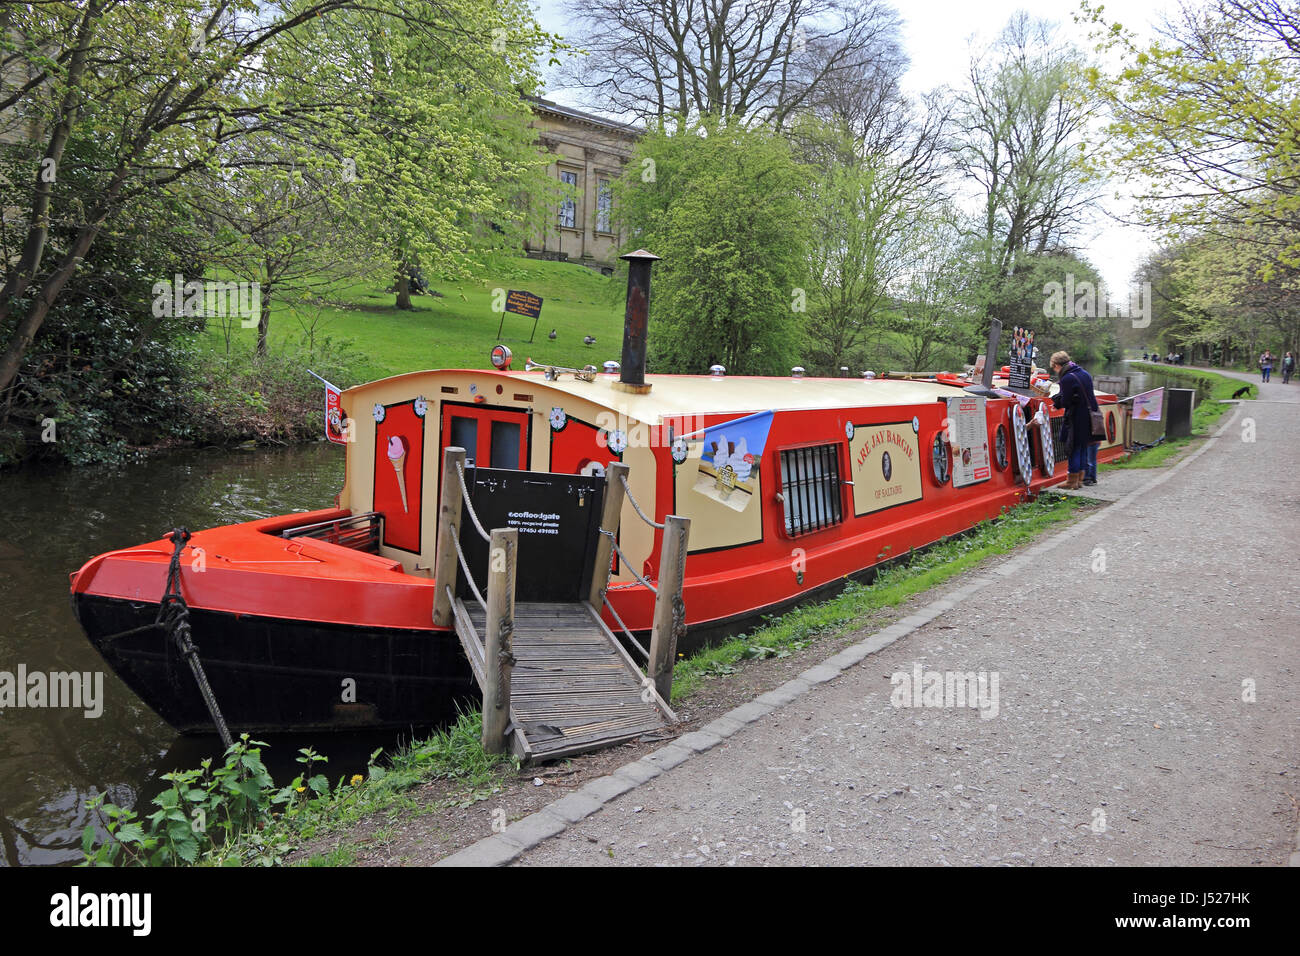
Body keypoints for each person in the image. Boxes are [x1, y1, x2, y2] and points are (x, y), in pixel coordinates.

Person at [1045, 350, 1099, 490]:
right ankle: (1079, 479)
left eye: (1054, 367)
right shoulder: (1084, 373)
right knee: (1081, 447)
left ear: (1057, 365)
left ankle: (1071, 481)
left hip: (1076, 417)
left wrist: (1057, 404)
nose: (1055, 370)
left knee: (1072, 448)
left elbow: (1067, 400)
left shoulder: (1068, 378)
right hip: (1088, 416)